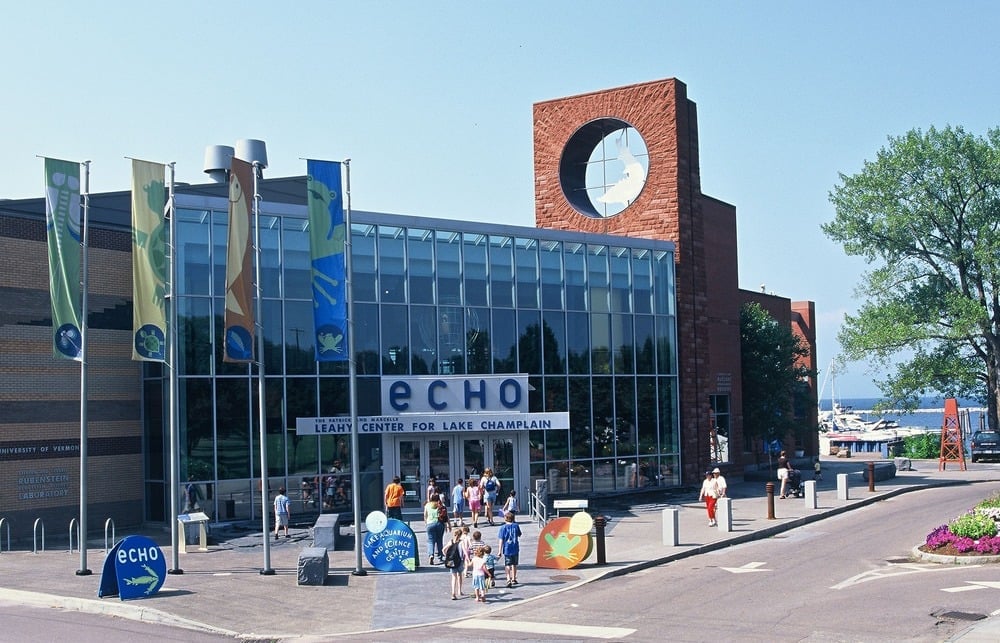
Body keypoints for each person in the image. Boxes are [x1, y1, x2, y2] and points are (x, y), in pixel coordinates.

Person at [497, 510, 521, 587]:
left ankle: (508, 579)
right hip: (515, 547)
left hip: (507, 548)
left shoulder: (503, 528)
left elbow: (501, 540)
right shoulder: (516, 526)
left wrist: (499, 551)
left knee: (507, 564)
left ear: (505, 518)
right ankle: (514, 578)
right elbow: (519, 534)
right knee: (514, 564)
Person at [442, 527, 465, 599]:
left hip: (451, 561)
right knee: (459, 575)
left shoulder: (451, 541)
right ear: (461, 535)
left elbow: (443, 550)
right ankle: (459, 590)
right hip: (459, 561)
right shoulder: (461, 542)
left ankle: (453, 593)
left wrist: (447, 556)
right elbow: (463, 552)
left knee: (453, 577)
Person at [424, 493, 446, 563]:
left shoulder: (427, 505)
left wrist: (426, 523)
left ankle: (431, 554)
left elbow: (425, 515)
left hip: (430, 523)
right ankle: (440, 556)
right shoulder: (441, 505)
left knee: (431, 541)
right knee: (439, 540)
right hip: (439, 523)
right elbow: (445, 515)